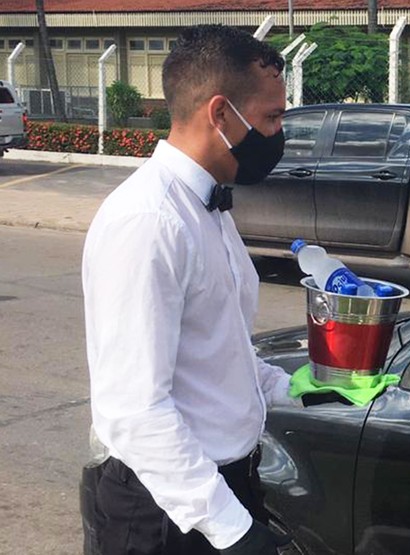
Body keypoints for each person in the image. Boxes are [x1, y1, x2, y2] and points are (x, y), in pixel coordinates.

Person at [82, 25, 298, 554]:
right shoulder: (149, 221)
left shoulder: (209, 206)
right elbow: (135, 409)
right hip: (163, 513)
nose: (279, 134)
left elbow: (218, 350)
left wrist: (298, 386)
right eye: (272, 118)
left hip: (216, 488)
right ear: (221, 114)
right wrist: (230, 528)